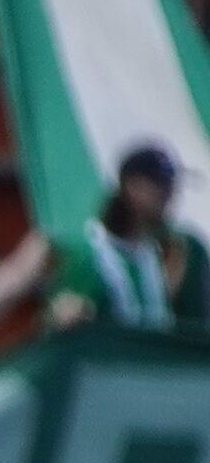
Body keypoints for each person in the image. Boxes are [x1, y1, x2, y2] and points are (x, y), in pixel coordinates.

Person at [44, 142, 210, 331]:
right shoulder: (91, 254)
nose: (170, 196)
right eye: (161, 188)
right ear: (132, 187)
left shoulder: (151, 253)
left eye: (171, 188)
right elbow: (61, 319)